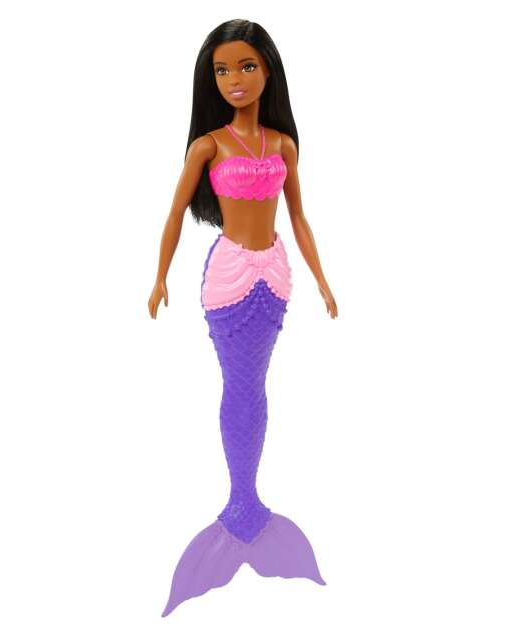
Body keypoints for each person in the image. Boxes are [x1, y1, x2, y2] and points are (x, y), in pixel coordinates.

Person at [146, 19, 337, 617]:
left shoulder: (282, 144)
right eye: (222, 69)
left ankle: (246, 506)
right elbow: (174, 213)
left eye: (247, 66)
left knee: (255, 383)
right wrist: (159, 276)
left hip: (274, 273)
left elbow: (299, 217)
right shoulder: (208, 146)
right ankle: (242, 507)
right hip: (229, 277)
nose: (234, 78)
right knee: (242, 385)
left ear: (268, 71)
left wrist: (322, 278)